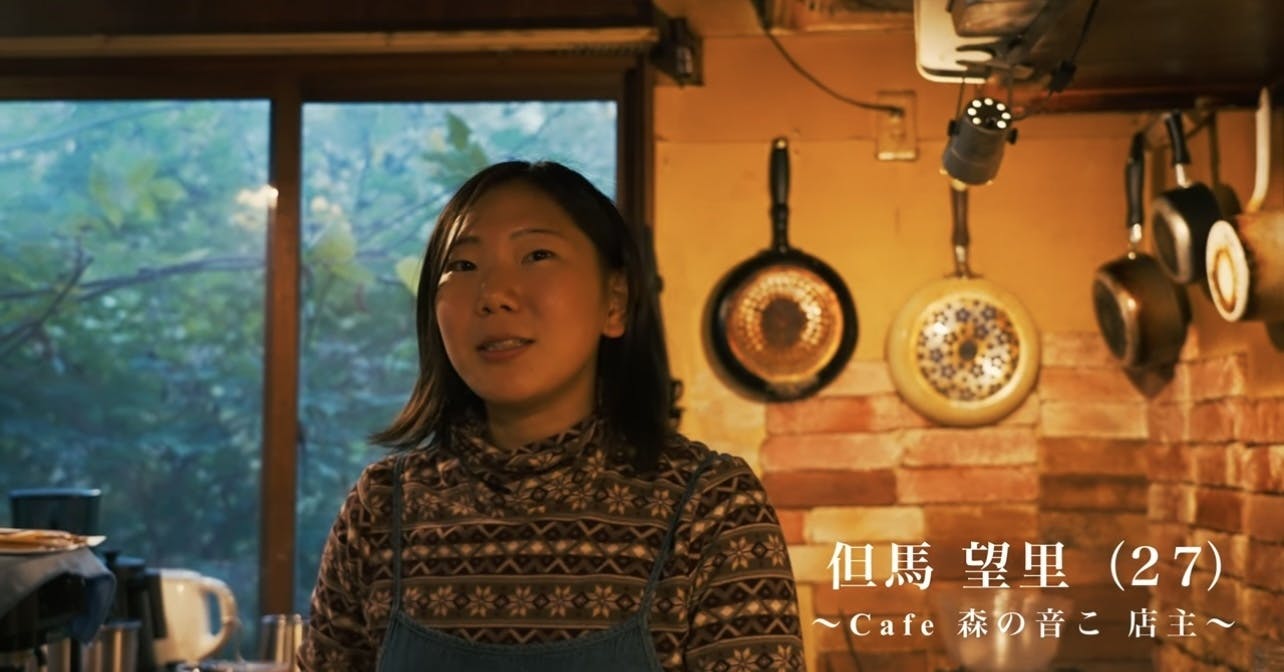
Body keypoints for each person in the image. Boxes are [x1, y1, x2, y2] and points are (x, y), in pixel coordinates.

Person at [297, 160, 804, 671]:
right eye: (463, 266)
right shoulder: (383, 508)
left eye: (536, 255)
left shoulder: (710, 508)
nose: (494, 295)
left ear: (615, 302)